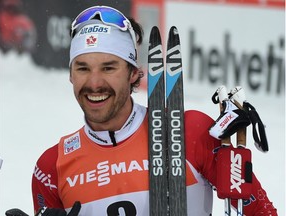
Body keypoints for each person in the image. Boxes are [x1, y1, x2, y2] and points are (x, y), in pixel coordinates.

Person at [28, 5, 277, 216]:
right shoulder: (52, 168)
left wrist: (238, 184)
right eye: (82, 68)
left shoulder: (188, 132)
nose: (94, 83)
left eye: (108, 68)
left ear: (134, 73)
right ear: (70, 75)